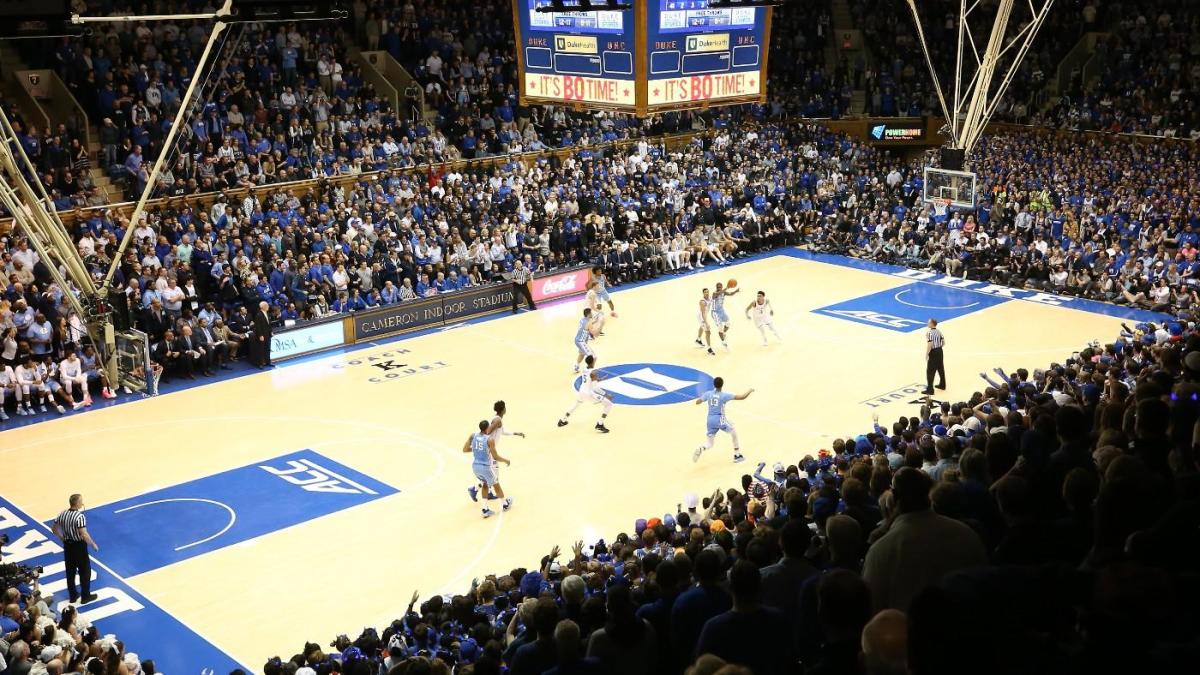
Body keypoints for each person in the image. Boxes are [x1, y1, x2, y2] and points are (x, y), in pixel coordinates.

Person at [51, 493, 99, 604]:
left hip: (68, 546)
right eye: (81, 501)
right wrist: (93, 544)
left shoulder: (62, 514)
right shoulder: (80, 516)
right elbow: (83, 534)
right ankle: (85, 596)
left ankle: (72, 596)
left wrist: (61, 538)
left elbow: (54, 528)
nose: (82, 503)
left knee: (70, 571)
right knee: (85, 571)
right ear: (77, 503)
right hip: (79, 546)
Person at [693, 376, 753, 463]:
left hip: (710, 420)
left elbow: (698, 402)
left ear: (714, 384)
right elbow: (742, 397)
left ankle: (702, 448)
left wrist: (700, 398)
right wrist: (750, 390)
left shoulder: (708, 394)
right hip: (719, 419)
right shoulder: (724, 395)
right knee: (733, 432)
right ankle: (737, 455)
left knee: (710, 443)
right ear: (722, 385)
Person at [464, 419, 512, 518]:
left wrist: (477, 449)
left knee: (485, 484)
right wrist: (506, 460)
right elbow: (495, 456)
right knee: (496, 485)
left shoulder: (473, 435)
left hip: (475, 467)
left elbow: (465, 449)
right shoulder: (489, 439)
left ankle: (485, 509)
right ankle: (505, 504)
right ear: (487, 428)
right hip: (486, 467)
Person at [557, 355, 613, 432]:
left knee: (575, 405)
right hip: (589, 394)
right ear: (592, 362)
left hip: (581, 391)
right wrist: (606, 394)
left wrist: (600, 379)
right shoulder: (593, 372)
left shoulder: (584, 369)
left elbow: (589, 379)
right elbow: (595, 388)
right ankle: (600, 424)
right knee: (608, 404)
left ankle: (562, 420)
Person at [710, 282, 740, 351]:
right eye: (718, 287)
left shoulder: (724, 292)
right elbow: (718, 294)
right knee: (720, 327)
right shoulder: (714, 293)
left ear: (721, 287)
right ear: (716, 287)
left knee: (728, 324)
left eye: (720, 287)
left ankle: (723, 333)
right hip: (715, 312)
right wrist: (727, 287)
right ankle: (724, 343)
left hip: (721, 311)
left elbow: (730, 294)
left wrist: (736, 291)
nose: (719, 288)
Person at [924, 318, 946, 395]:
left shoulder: (929, 333)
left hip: (933, 352)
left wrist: (927, 353)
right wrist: (939, 348)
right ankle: (942, 385)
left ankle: (930, 389)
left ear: (932, 324)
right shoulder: (939, 331)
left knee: (930, 371)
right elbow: (943, 342)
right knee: (940, 368)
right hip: (940, 351)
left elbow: (930, 344)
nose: (927, 323)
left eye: (929, 322)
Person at [574, 308, 597, 373]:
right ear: (588, 314)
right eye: (591, 313)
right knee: (593, 357)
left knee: (582, 354)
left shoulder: (582, 320)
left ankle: (576, 366)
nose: (592, 314)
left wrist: (594, 321)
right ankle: (589, 371)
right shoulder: (589, 323)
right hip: (581, 342)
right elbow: (593, 332)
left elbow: (588, 326)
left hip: (577, 340)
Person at [252, 300, 273, 368]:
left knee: (268, 348)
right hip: (262, 335)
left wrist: (271, 331)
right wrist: (260, 335)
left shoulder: (267, 313)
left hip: (268, 334)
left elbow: (269, 324)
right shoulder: (259, 315)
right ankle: (260, 363)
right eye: (267, 305)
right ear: (263, 307)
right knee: (261, 350)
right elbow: (258, 327)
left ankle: (268, 362)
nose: (268, 306)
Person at [695, 287, 715, 356]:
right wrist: (706, 323)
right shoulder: (702, 302)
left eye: (707, 291)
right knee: (708, 331)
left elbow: (714, 297)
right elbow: (703, 313)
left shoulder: (709, 298)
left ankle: (698, 340)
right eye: (705, 292)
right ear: (703, 293)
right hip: (701, 316)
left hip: (704, 315)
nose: (706, 293)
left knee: (702, 327)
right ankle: (709, 349)